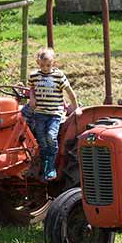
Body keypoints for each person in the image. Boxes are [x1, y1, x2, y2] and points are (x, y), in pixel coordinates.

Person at [28, 47, 81, 181]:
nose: (45, 68)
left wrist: (76, 107)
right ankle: (44, 167)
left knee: (51, 137)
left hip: (54, 114)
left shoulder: (58, 76)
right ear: (37, 62)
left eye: (48, 65)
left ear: (53, 63)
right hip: (39, 113)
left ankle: (51, 167)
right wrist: (32, 97)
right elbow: (31, 89)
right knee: (42, 141)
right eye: (42, 65)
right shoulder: (34, 75)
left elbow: (69, 92)